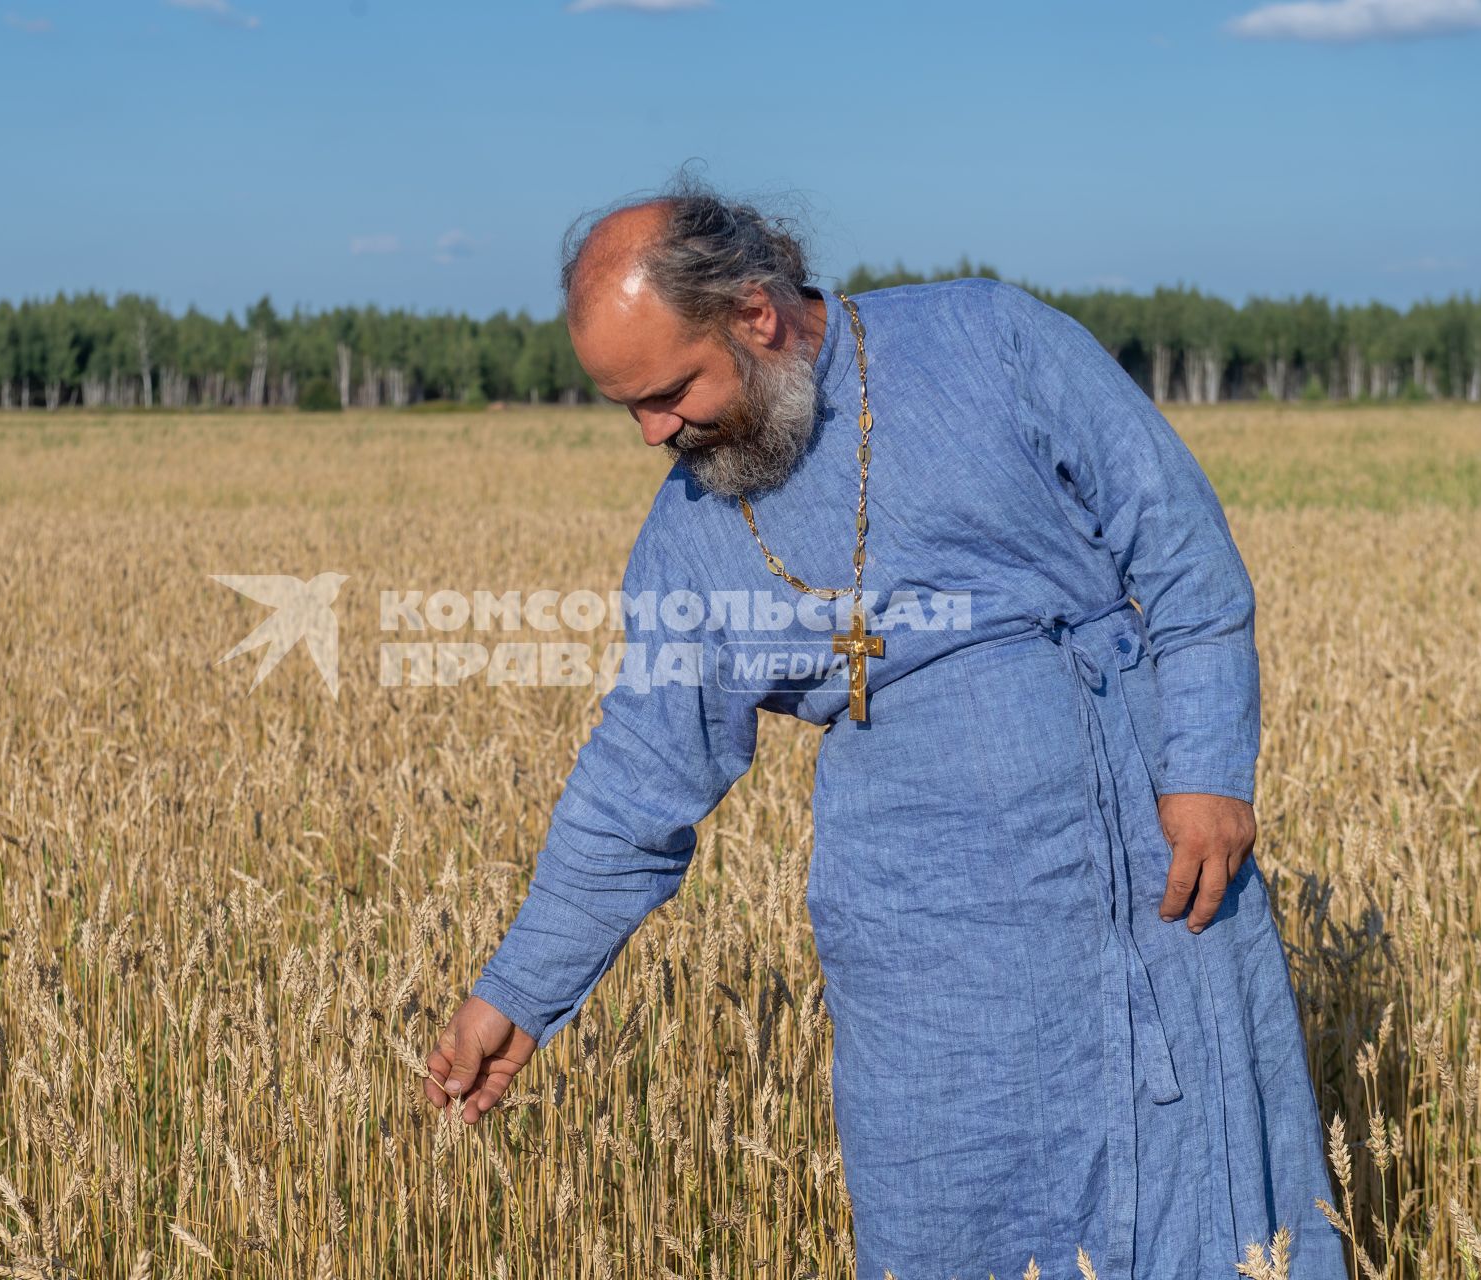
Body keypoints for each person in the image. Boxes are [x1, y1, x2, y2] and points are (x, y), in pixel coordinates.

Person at [418, 174, 1343, 1280]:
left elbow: (1181, 547)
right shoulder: (689, 538)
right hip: (914, 939)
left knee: (1199, 1198)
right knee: (945, 1215)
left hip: (1142, 859)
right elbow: (638, 779)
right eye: (630, 407)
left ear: (756, 315)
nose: (654, 431)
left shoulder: (987, 339)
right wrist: (520, 989)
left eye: (669, 390)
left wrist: (1206, 766)